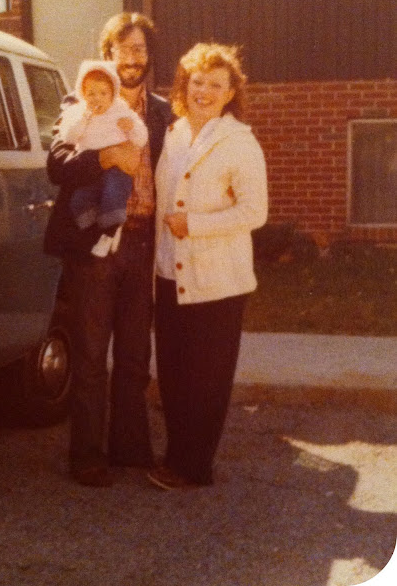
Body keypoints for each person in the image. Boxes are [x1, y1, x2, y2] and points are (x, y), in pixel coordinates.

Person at [44, 13, 173, 486]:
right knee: (92, 353)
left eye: (140, 50)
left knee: (136, 355)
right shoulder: (83, 100)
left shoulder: (163, 113)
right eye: (124, 50)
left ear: (149, 56)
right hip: (95, 246)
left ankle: (130, 448)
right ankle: (88, 456)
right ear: (108, 55)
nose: (132, 59)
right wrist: (104, 158)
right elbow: (57, 165)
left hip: (142, 242)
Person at [147, 43, 268, 490]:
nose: (204, 91)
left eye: (216, 85)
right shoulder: (175, 134)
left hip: (218, 282)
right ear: (185, 85)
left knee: (206, 382)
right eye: (197, 82)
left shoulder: (239, 141)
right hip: (169, 275)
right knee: (174, 377)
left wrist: (193, 225)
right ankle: (177, 457)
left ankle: (194, 467)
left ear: (231, 92)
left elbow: (254, 212)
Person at [58, 60, 148, 257]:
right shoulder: (77, 112)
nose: (97, 98)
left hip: (117, 168)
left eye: (103, 93)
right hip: (91, 169)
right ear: (82, 93)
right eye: (91, 93)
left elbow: (141, 139)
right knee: (80, 200)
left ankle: (110, 232)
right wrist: (84, 119)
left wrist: (132, 127)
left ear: (113, 93)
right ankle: (98, 232)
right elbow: (68, 137)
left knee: (113, 196)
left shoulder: (121, 111)